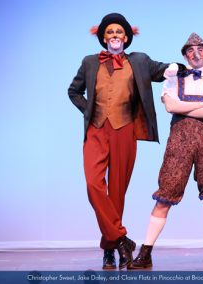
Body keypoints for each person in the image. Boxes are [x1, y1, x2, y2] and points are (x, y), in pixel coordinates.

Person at [68, 13, 171, 270]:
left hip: (125, 129)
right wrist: (89, 111)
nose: (115, 36)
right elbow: (73, 90)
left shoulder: (139, 61)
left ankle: (109, 251)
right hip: (97, 129)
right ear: (104, 37)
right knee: (94, 185)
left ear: (126, 37)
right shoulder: (90, 62)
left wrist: (183, 68)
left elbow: (162, 70)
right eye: (110, 32)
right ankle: (121, 238)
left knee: (116, 193)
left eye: (119, 32)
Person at [127, 33, 203, 270]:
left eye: (200, 50)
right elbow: (170, 106)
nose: (196, 54)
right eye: (190, 51)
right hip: (179, 140)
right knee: (166, 193)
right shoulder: (174, 76)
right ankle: (145, 253)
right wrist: (201, 105)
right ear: (185, 54)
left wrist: (190, 108)